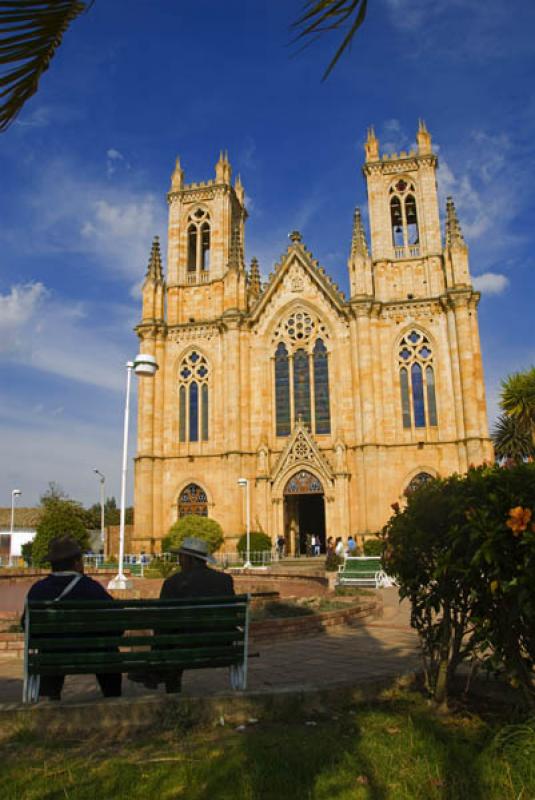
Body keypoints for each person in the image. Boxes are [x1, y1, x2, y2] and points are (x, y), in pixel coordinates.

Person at [24, 537, 122, 701]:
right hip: (93, 653)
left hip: (52, 655)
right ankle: (113, 697)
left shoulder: (38, 589)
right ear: (77, 563)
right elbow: (116, 623)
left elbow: (26, 626)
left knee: (49, 652)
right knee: (108, 651)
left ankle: (51, 697)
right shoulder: (91, 588)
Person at [150, 537, 235, 693]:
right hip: (220, 646)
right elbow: (233, 614)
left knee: (166, 632)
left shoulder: (172, 582)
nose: (179, 561)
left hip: (182, 647)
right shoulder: (225, 580)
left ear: (188, 559)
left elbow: (162, 621)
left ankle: (162, 677)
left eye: (181, 557)